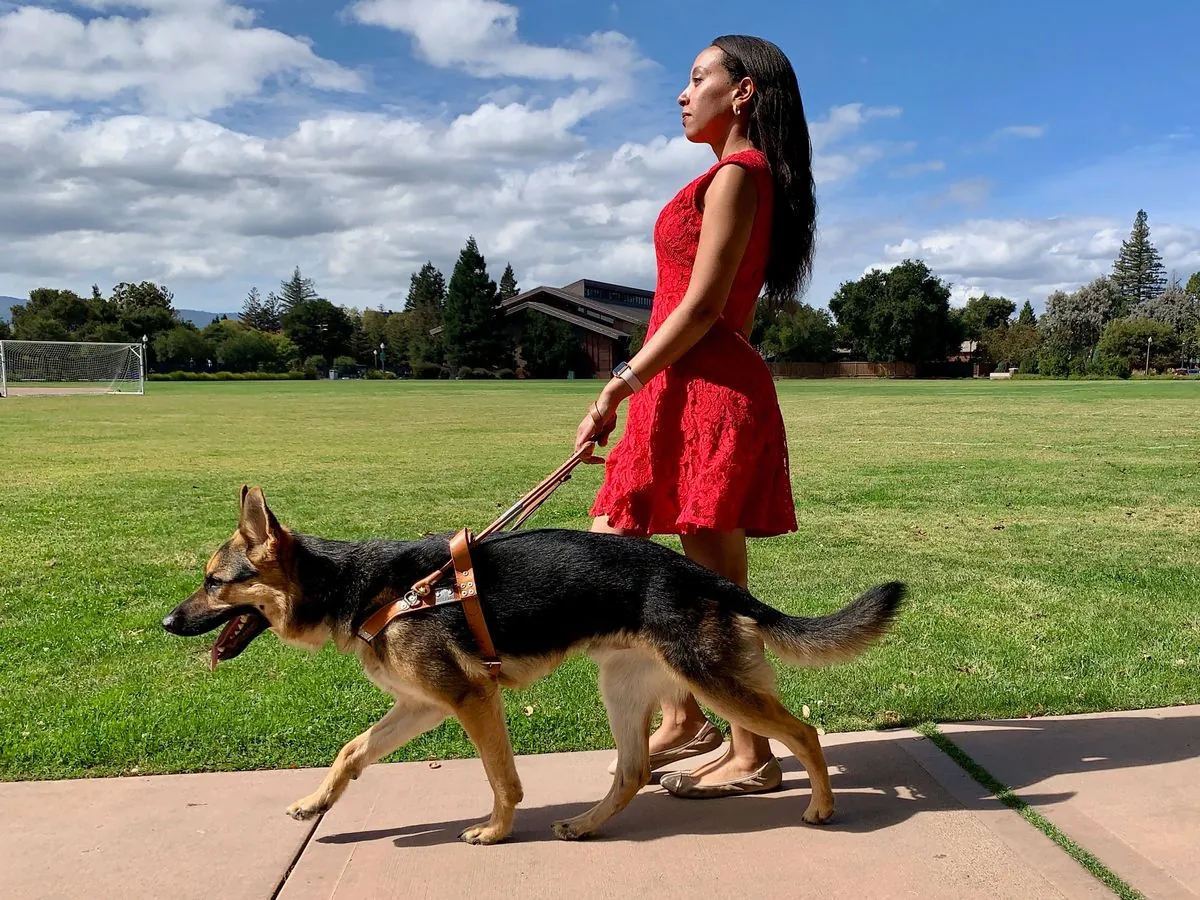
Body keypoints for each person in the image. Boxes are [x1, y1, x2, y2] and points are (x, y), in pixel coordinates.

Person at [574, 34, 816, 798]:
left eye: (697, 77)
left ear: (742, 93)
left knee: (706, 586)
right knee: (630, 563)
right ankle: (685, 718)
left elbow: (705, 306)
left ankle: (754, 753)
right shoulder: (722, 177)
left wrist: (621, 380)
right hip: (674, 392)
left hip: (707, 393)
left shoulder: (741, 176)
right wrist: (639, 388)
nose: (682, 93)